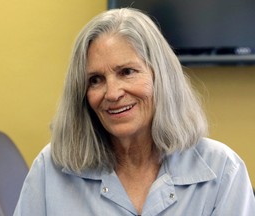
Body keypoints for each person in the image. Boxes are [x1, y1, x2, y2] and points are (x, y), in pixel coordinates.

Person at [14, 8, 255, 216]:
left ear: (160, 77)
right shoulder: (51, 169)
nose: (112, 93)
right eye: (95, 80)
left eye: (127, 72)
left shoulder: (222, 170)